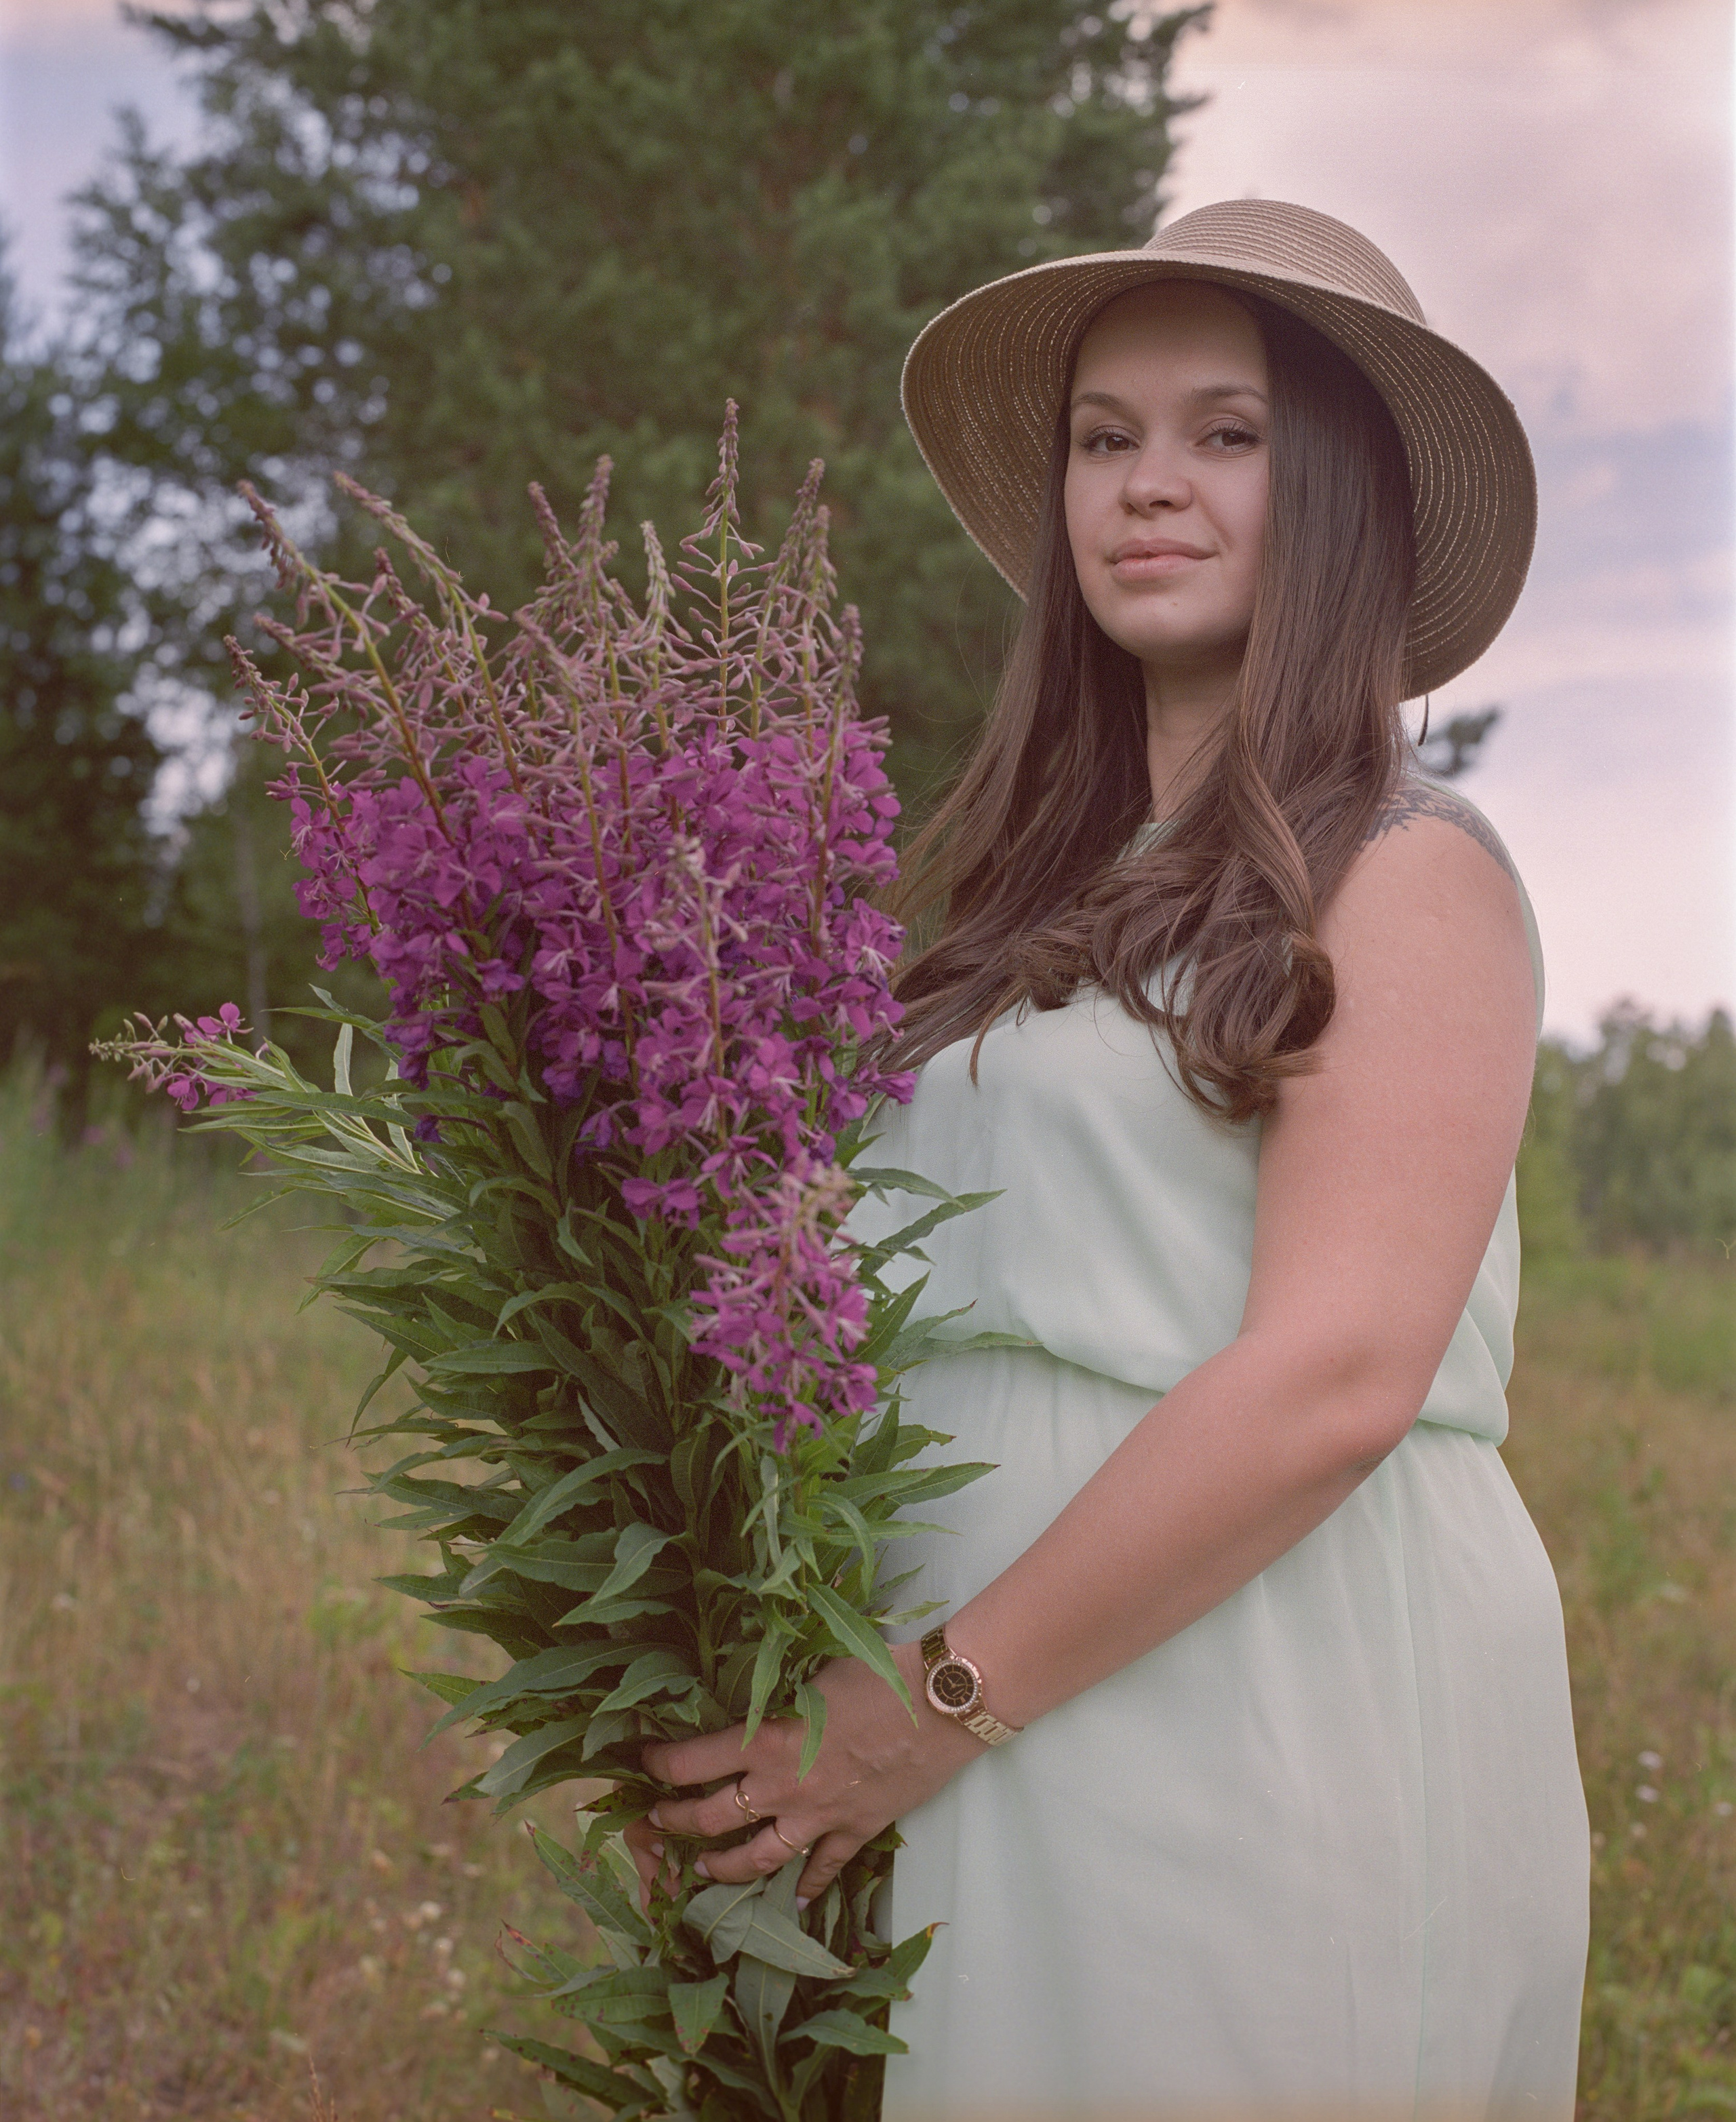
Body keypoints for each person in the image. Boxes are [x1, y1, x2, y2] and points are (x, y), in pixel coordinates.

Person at [627, 200, 1590, 2121]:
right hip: (994, 1709)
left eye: (1226, 433)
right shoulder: (1021, 908)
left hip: (1258, 1705)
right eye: (1105, 436)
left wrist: (929, 1705)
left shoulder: (1405, 871)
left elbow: (1333, 1378)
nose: (1149, 485)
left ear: (1336, 494)